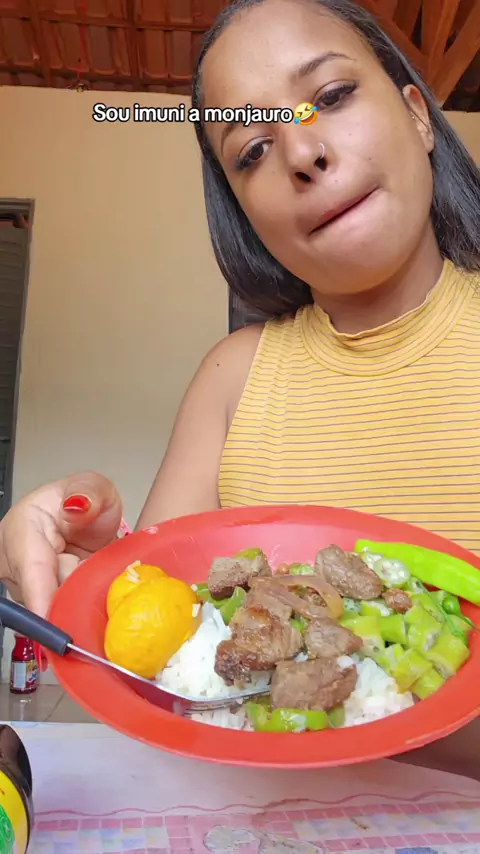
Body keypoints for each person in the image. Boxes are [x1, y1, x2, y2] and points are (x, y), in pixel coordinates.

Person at [1, 0, 479, 777]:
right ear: (244, 213)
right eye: (253, 149)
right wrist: (89, 573)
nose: (303, 153)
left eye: (331, 96)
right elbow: (165, 662)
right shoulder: (231, 377)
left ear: (418, 115)